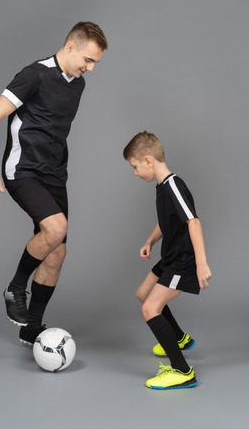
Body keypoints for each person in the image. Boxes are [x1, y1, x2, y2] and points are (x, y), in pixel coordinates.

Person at [0, 22, 108, 346]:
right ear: (70, 47)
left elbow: (53, 128)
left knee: (57, 251)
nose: (90, 69)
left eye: (95, 63)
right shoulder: (34, 75)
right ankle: (15, 288)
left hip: (54, 174)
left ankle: (31, 328)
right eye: (88, 60)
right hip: (23, 169)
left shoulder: (77, 85)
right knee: (55, 229)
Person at [123, 131, 212, 390]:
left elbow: (193, 221)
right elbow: (166, 222)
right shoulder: (162, 186)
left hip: (182, 261)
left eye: (135, 166)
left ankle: (183, 371)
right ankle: (179, 338)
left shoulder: (173, 185)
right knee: (143, 293)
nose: (135, 172)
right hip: (170, 256)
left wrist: (201, 263)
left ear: (149, 161)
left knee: (150, 310)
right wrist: (150, 241)